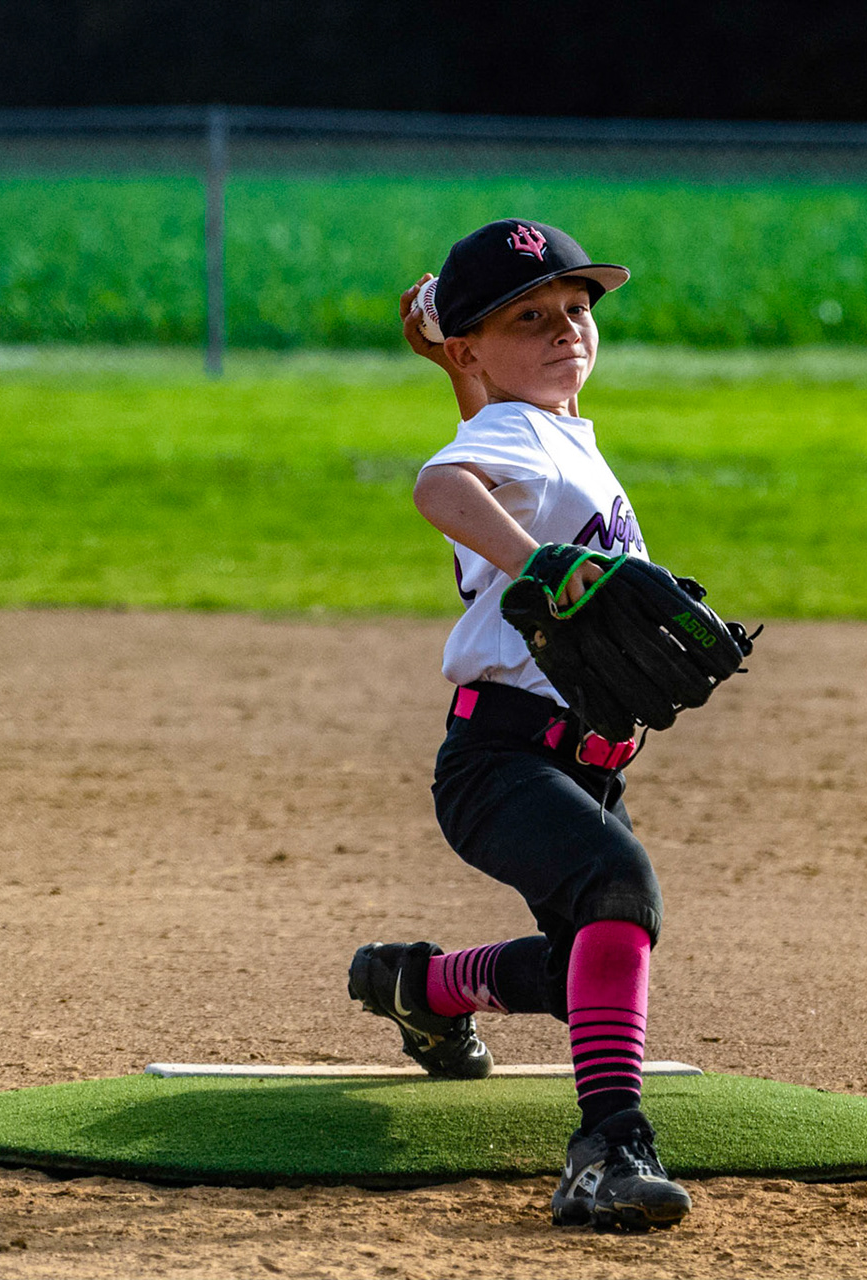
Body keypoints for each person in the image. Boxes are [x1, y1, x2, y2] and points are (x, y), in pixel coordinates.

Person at [346, 219, 691, 1232]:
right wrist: (544, 566)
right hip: (502, 759)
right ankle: (609, 1148)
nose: (565, 327)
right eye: (528, 317)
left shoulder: (548, 433)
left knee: (587, 965)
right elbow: (441, 483)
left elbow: (495, 441)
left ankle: (423, 986)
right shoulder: (515, 440)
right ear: (475, 347)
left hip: (580, 766)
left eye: (576, 308)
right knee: (619, 889)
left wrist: (461, 367)